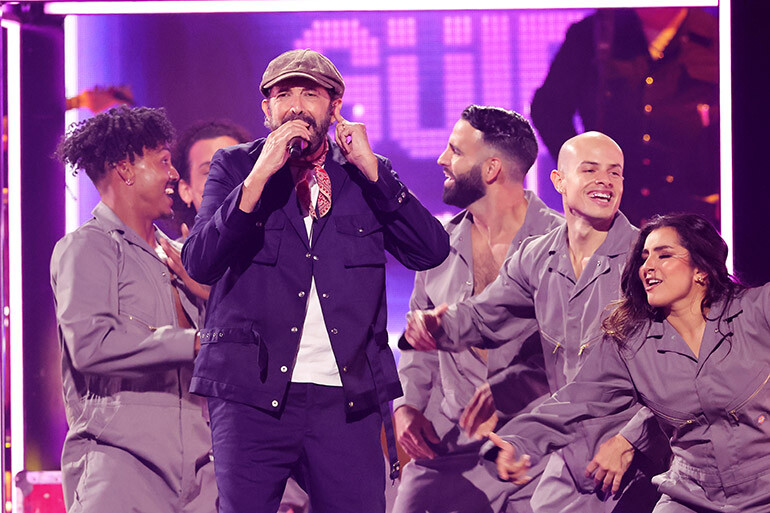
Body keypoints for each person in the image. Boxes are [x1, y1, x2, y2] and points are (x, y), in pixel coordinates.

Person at [180, 49, 450, 513]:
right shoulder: (233, 168)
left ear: (335, 104)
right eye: (283, 95)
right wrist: (259, 177)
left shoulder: (364, 173)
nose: (297, 106)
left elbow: (431, 250)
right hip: (250, 396)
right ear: (266, 109)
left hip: (346, 398)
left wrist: (376, 173)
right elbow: (200, 262)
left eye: (311, 93)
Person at [406, 131, 667, 512]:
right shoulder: (536, 255)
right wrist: (438, 327)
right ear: (558, 180)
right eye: (590, 169)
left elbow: (680, 372)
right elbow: (487, 314)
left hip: (637, 459)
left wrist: (631, 440)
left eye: (615, 173)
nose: (605, 181)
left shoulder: (647, 260)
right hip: (571, 453)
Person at [489, 213, 770, 513]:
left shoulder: (756, 311)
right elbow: (574, 402)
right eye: (645, 258)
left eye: (664, 255)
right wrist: (518, 441)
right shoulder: (630, 343)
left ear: (701, 270)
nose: (648, 267)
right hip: (693, 495)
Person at [392, 105, 561, 513]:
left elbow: (576, 352)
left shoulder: (564, 245)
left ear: (490, 170)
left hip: (535, 450)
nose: (442, 160)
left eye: (455, 151)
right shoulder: (436, 247)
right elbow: (419, 349)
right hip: (447, 447)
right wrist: (407, 407)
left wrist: (512, 392)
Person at [51, 106, 216, 512]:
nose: (174, 174)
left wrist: (214, 297)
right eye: (163, 161)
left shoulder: (183, 258)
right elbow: (92, 344)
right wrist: (192, 341)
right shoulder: (88, 247)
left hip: (202, 478)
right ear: (126, 169)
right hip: (120, 474)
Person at [530, 8, 719, 228]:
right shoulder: (593, 34)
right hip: (614, 212)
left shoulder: (721, 32)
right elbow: (549, 110)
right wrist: (582, 173)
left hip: (694, 214)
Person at [171, 119, 251, 231]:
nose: (224, 178)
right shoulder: (175, 248)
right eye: (210, 171)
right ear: (186, 190)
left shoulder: (276, 243)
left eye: (233, 167)